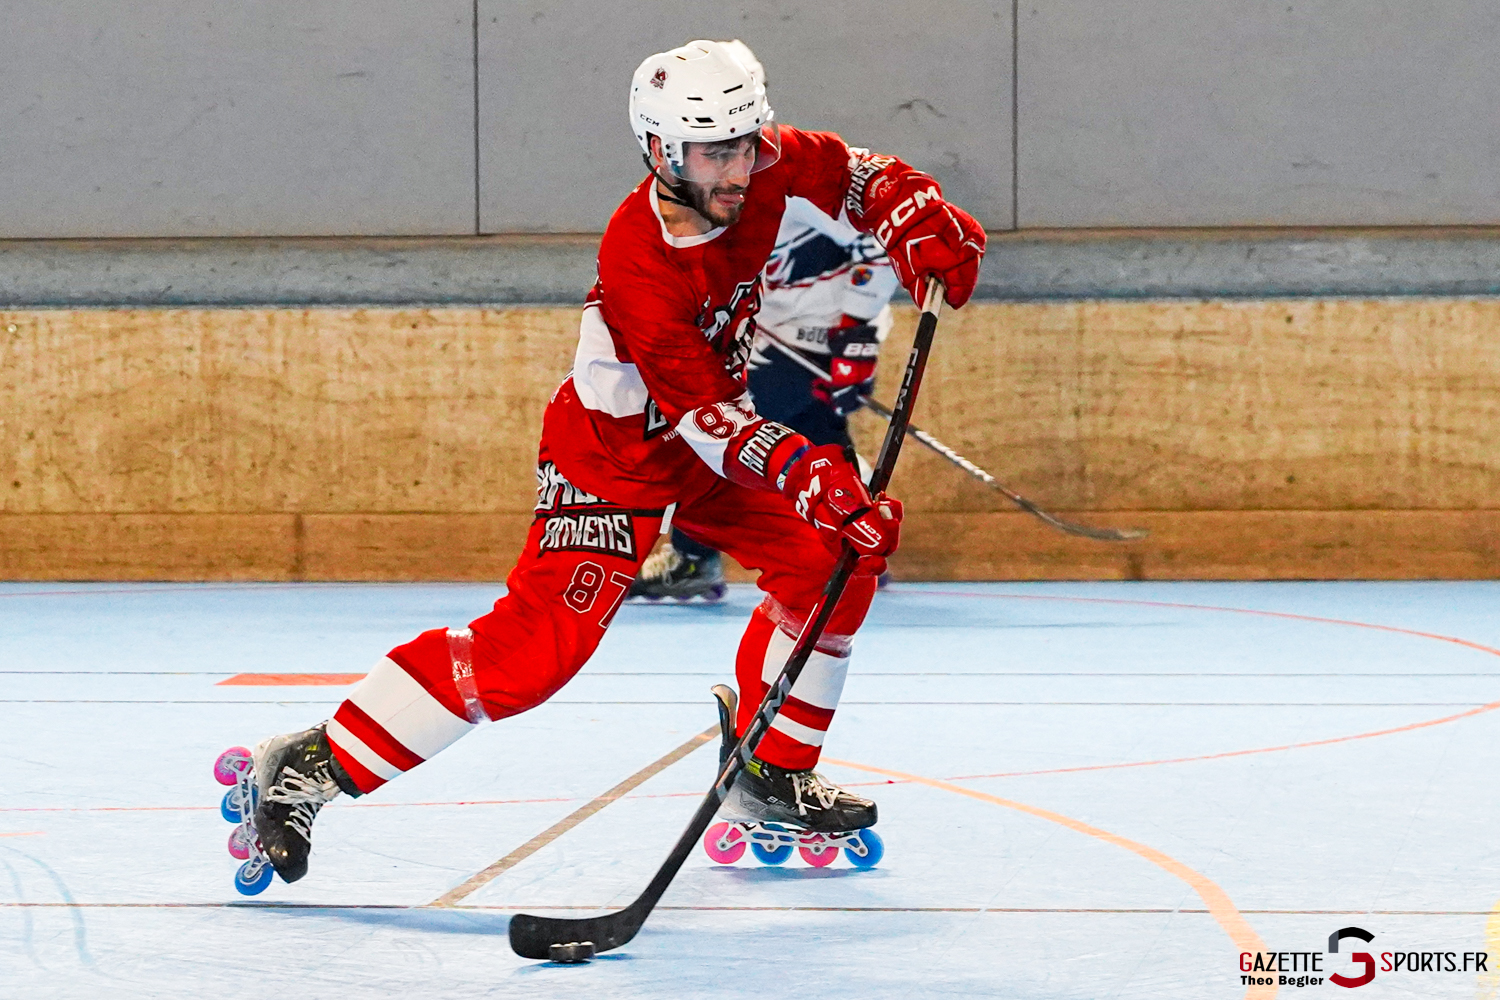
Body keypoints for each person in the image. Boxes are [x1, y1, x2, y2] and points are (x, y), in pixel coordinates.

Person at [237, 38, 984, 888]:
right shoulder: (639, 255)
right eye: (714, 152)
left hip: (703, 446)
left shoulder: (764, 161)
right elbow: (704, 411)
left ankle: (770, 771)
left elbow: (857, 174)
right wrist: (811, 476)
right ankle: (308, 764)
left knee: (836, 560)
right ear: (661, 151)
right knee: (529, 660)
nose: (738, 169)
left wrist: (915, 213)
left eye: (745, 143)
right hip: (614, 459)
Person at [630, 42, 903, 603]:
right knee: (811, 431)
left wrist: (856, 335)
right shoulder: (708, 195)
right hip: (769, 336)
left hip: (819, 339)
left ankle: (694, 554)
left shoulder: (787, 184)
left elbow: (878, 247)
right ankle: (852, 546)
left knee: (732, 435)